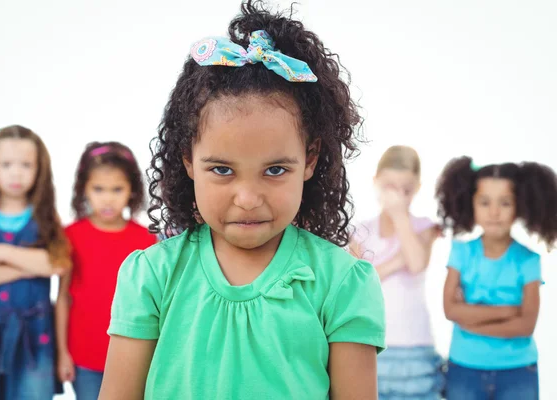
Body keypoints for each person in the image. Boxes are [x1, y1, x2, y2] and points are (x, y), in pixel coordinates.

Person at [98, 1, 386, 399]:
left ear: (311, 159)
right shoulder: (152, 276)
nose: (248, 199)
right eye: (221, 170)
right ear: (188, 161)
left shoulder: (342, 284)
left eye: (274, 170)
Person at [0, 125, 70, 399]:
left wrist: (1, 253)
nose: (16, 173)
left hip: (36, 337)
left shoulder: (45, 216)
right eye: (6, 164)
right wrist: (24, 269)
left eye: (26, 165)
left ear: (39, 168)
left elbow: (58, 264)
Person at [436, 156, 557, 400]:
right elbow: (450, 310)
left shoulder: (528, 259)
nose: (494, 212)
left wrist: (469, 318)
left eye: (505, 203)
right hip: (464, 367)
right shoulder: (461, 252)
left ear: (520, 206)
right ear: (471, 204)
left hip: (518, 371)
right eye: (484, 202)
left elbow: (526, 326)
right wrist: (510, 311)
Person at [55, 142, 156, 399]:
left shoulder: (146, 240)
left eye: (117, 189)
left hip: (135, 356)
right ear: (83, 190)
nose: (108, 198)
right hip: (84, 357)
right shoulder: (71, 236)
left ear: (131, 190)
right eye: (99, 189)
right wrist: (62, 353)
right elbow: (63, 298)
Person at [350, 145, 444, 399]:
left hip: (415, 347)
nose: (398, 195)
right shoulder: (359, 231)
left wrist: (400, 215)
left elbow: (415, 264)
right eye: (390, 186)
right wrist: (395, 261)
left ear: (417, 189)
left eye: (406, 190)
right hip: (371, 345)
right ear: (375, 182)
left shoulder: (424, 226)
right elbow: (358, 284)